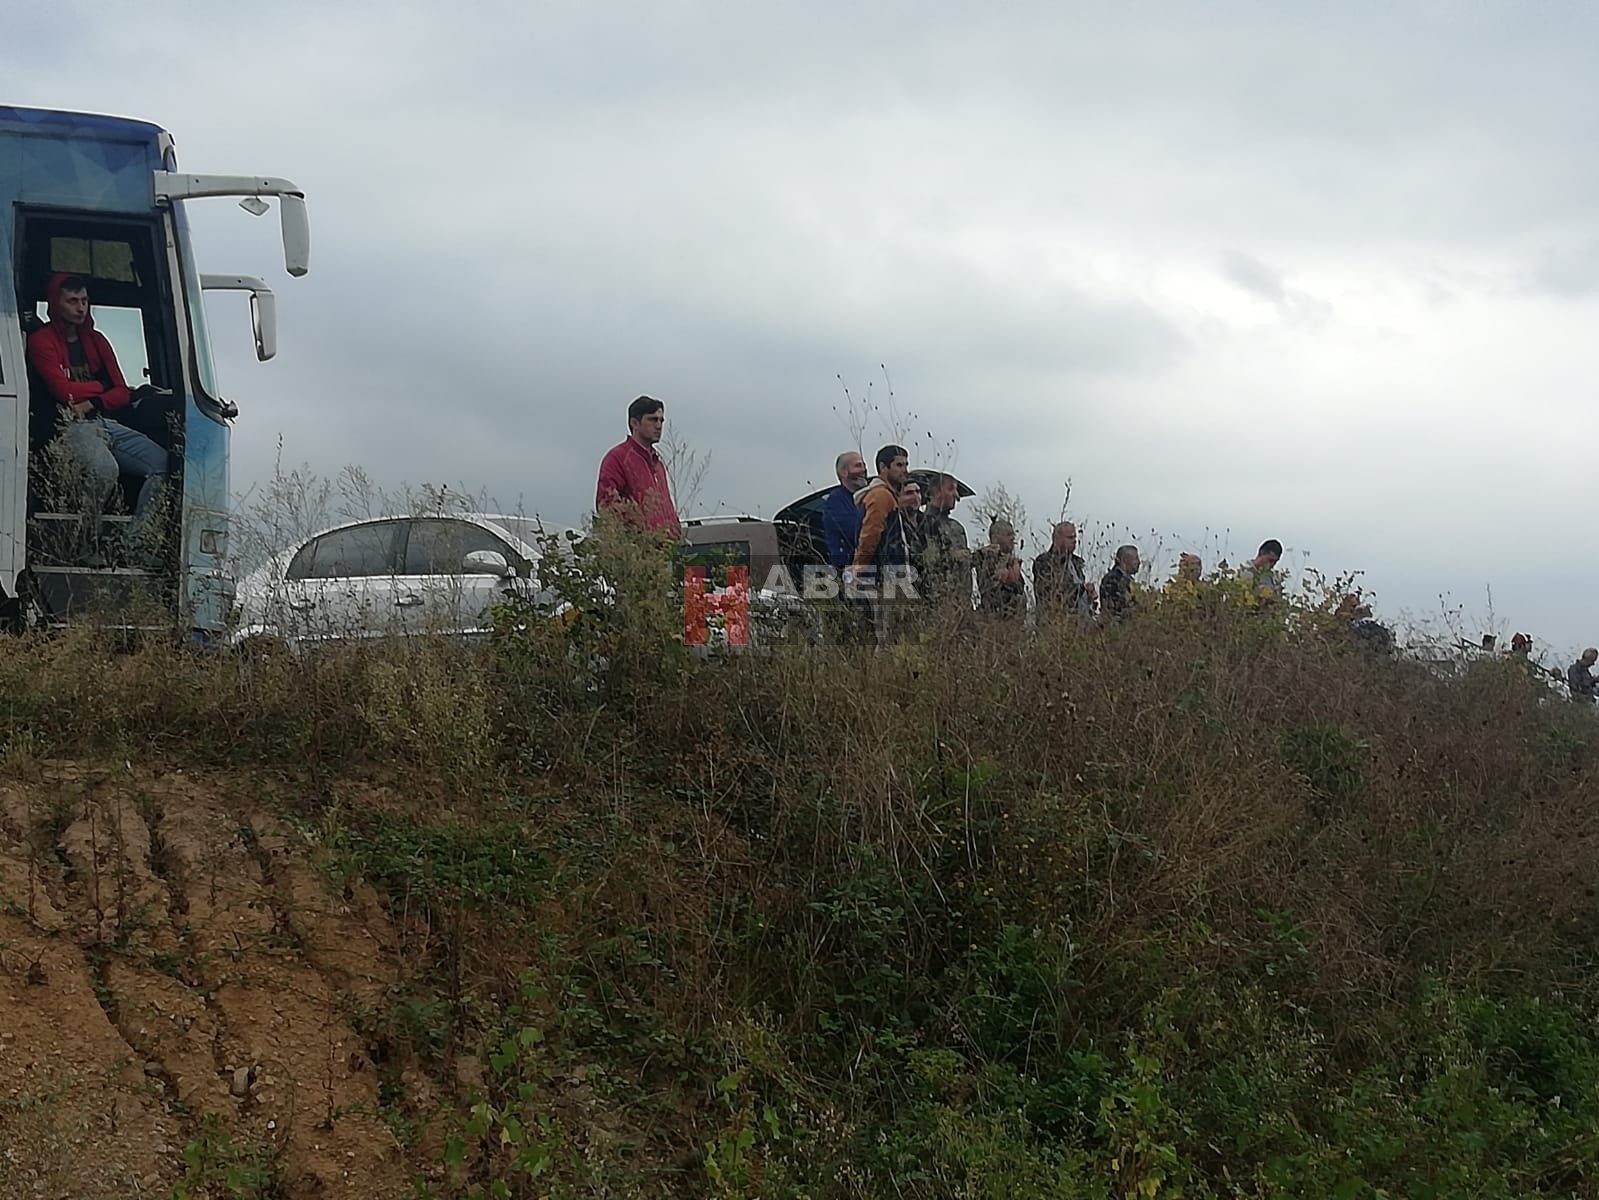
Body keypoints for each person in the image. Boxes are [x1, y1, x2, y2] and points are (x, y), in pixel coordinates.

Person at [26, 273, 169, 565]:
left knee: (164, 464)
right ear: (56, 303)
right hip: (66, 427)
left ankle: (134, 546)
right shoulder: (42, 341)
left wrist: (93, 399)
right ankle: (84, 544)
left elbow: (122, 392)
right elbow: (63, 392)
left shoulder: (97, 341)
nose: (80, 308)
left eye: (84, 301)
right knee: (104, 470)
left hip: (103, 423)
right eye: (72, 301)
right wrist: (99, 386)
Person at [847, 445, 911, 640]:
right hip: (883, 577)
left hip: (887, 576)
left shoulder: (887, 495)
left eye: (906, 465)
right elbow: (870, 535)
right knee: (886, 638)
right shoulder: (881, 495)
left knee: (890, 636)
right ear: (883, 467)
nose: (905, 470)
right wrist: (859, 569)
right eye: (899, 465)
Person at [596, 395, 680, 536]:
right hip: (639, 549)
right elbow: (607, 506)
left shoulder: (657, 463)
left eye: (661, 420)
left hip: (666, 548)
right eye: (652, 419)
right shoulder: (617, 458)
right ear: (634, 423)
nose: (658, 425)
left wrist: (675, 528)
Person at [920, 472, 970, 605]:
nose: (957, 495)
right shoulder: (923, 524)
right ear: (936, 492)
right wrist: (951, 557)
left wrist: (982, 555)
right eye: (951, 489)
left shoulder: (956, 527)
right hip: (936, 602)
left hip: (961, 603)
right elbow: (924, 562)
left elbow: (965, 565)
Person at [1032, 521, 1095, 618]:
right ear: (1056, 539)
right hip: (1056, 621)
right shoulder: (1045, 562)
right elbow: (1052, 593)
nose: (1074, 541)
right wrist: (1082, 589)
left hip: (1080, 623)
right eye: (1070, 537)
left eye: (1075, 537)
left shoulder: (1076, 563)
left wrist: (1088, 595)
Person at [821, 450, 867, 569]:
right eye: (858, 466)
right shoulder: (835, 501)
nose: (864, 470)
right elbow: (856, 532)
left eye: (864, 465)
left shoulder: (866, 498)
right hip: (849, 569)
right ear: (843, 472)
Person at [974, 518, 1025, 621]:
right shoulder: (985, 557)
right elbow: (989, 590)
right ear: (995, 538)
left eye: (1013, 535)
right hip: (994, 618)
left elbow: (1019, 589)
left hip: (1014, 618)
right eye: (1008, 535)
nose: (1012, 538)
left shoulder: (1011, 560)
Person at [1100, 544, 1140, 619]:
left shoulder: (1125, 579)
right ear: (1125, 559)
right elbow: (1113, 608)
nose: (1139, 562)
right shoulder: (1113, 579)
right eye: (1136, 559)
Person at [1245, 539, 1284, 607]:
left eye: (1275, 562)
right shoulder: (1245, 572)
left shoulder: (1275, 578)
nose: (1272, 564)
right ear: (1262, 553)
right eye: (1270, 560)